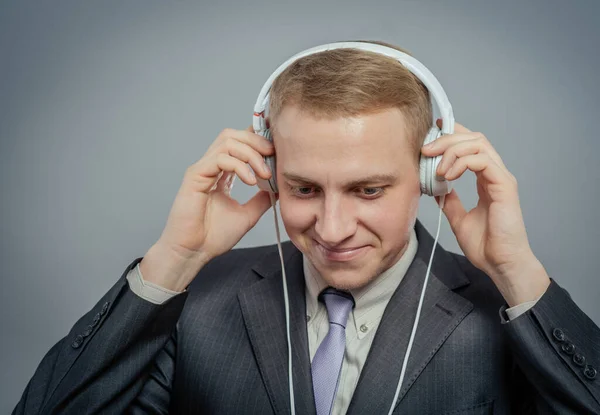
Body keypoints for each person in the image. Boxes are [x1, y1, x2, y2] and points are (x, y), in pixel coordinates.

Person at [13, 40, 600, 415]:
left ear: (429, 176)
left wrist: (517, 274)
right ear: (269, 173)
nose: (333, 227)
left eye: (368, 190)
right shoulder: (196, 301)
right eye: (303, 189)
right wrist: (174, 259)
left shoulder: (505, 314)